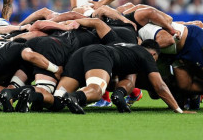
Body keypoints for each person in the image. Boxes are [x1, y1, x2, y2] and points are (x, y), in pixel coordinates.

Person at [53, 40, 194, 114]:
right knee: (97, 91)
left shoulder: (127, 48)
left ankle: (35, 95)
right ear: (153, 55)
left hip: (83, 52)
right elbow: (160, 86)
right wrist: (178, 109)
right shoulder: (147, 56)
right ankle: (74, 98)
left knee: (58, 100)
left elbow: (120, 79)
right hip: (99, 54)